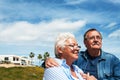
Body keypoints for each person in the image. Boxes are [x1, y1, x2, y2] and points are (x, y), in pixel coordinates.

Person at [45, 28, 120, 80]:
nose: (96, 40)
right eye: (92, 38)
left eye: (98, 37)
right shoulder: (77, 57)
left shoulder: (112, 59)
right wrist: (48, 60)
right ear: (85, 42)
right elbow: (60, 62)